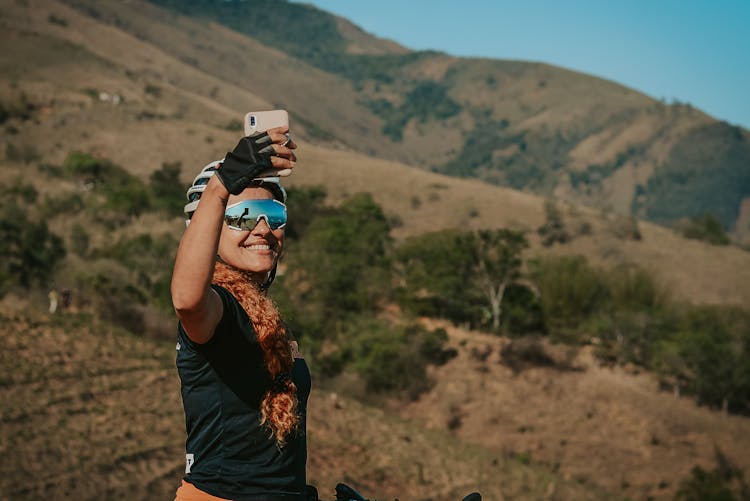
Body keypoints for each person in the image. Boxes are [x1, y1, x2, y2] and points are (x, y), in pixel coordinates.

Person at [171, 126, 314, 501]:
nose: (263, 229)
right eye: (244, 216)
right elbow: (187, 300)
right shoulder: (219, 307)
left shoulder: (262, 311)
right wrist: (219, 188)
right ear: (208, 230)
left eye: (273, 213)